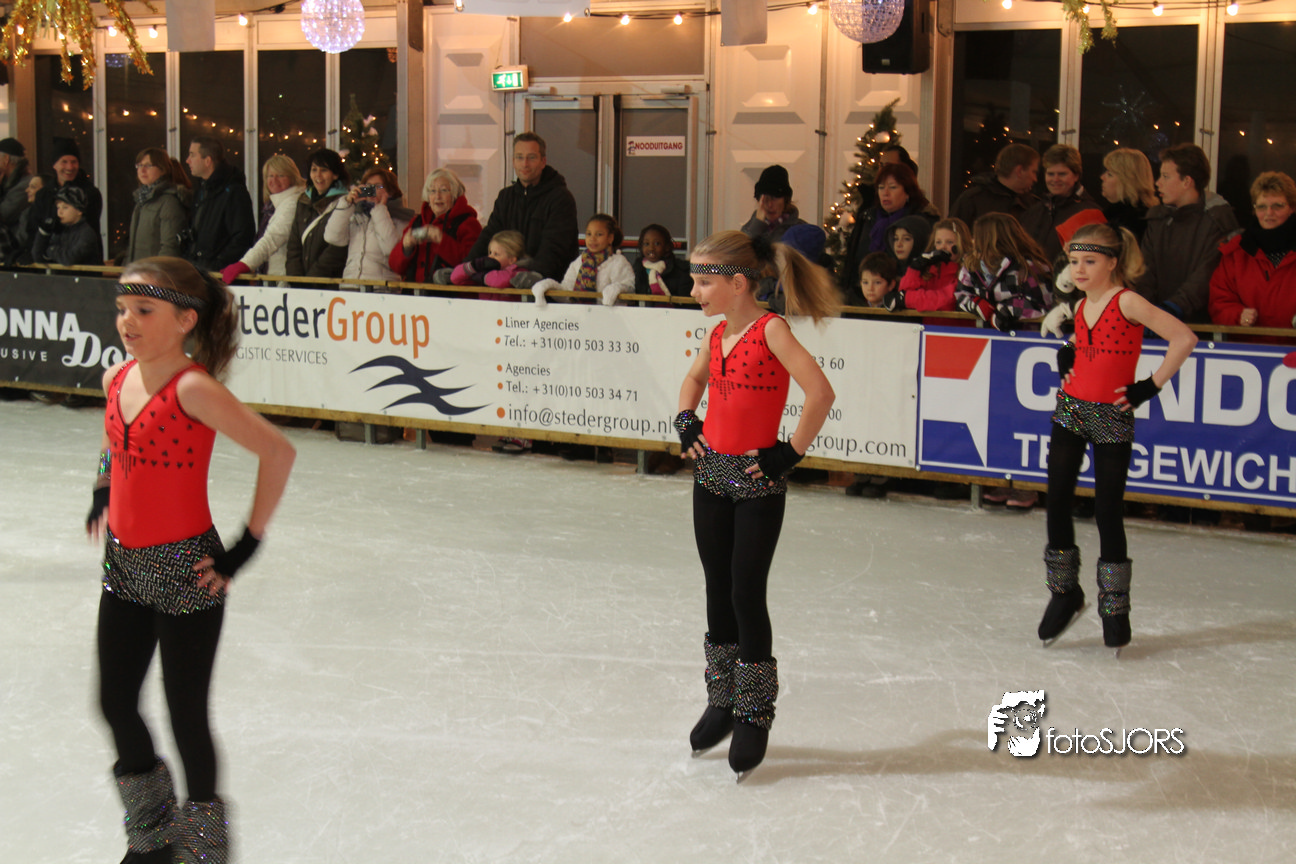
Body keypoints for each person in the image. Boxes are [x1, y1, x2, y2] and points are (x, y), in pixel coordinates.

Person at [89, 256, 295, 862]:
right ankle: (152, 837)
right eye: (122, 309)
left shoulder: (194, 389)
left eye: (143, 310)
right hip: (124, 565)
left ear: (185, 320)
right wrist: (104, 486)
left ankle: (203, 849)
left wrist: (245, 546)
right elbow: (112, 437)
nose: (127, 321)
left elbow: (277, 452)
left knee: (185, 717)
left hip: (187, 569)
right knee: (115, 703)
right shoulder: (116, 377)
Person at [676, 229, 839, 780]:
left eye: (703, 282)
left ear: (737, 284)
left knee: (746, 592)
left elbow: (820, 393)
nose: (694, 292)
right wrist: (686, 419)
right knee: (716, 587)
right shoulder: (718, 333)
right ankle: (722, 698)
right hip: (711, 476)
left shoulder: (771, 331)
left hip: (754, 481)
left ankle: (753, 710)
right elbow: (694, 379)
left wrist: (787, 454)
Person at [1040, 223, 1197, 650]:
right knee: (1057, 499)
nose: (1079, 270)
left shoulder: (1127, 301)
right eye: (1074, 261)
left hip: (1111, 414)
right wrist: (1068, 353)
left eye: (1089, 261)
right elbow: (1085, 343)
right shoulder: (1081, 304)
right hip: (1071, 409)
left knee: (1107, 510)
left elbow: (1184, 338)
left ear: (1112, 262)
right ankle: (1064, 592)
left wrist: (1150, 385)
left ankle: (1114, 606)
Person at [1137, 143, 1240, 323]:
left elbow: (1206, 275)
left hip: (1198, 326)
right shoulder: (1158, 219)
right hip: (1154, 323)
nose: (1158, 182)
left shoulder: (1217, 221)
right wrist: (1146, 311)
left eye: (1166, 176)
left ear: (1187, 181)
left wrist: (1173, 308)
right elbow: (1144, 270)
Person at [463, 132, 578, 284]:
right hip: (506, 286)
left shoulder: (560, 199)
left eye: (531, 157)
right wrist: (464, 270)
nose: (525, 164)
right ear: (513, 161)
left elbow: (555, 246)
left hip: (548, 289)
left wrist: (537, 274)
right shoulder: (505, 197)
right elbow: (488, 237)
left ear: (543, 161)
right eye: (519, 157)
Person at [1209, 171, 1296, 332]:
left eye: (1277, 206)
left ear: (1292, 208)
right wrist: (1237, 315)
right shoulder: (1236, 253)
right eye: (1261, 207)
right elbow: (1219, 301)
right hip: (1248, 345)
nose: (1269, 213)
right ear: (1254, 210)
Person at [840, 162, 940, 300]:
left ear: (908, 192)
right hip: (862, 297)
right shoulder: (868, 217)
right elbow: (853, 260)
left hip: (904, 297)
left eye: (893, 187)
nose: (885, 193)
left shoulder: (922, 223)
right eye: (881, 188)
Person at [220, 154, 307, 285]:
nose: (274, 180)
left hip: (285, 279)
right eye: (270, 176)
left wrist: (244, 264)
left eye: (281, 175)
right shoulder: (274, 206)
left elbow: (272, 238)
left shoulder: (292, 204)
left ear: (292, 177)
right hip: (274, 277)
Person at [324, 166, 414, 290]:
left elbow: (391, 250)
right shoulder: (356, 214)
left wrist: (380, 209)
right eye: (368, 186)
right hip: (350, 286)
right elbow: (332, 237)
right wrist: (347, 204)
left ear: (390, 190)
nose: (371, 190)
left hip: (381, 289)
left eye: (378, 186)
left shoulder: (401, 217)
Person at [389, 167, 481, 283]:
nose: (437, 196)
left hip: (452, 293)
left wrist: (442, 241)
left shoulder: (468, 224)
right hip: (415, 292)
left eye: (444, 190)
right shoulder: (418, 222)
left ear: (454, 194)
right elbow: (395, 267)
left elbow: (472, 265)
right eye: (432, 191)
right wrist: (406, 248)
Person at [1020, 144, 1103, 263]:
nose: (1055, 179)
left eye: (1062, 174)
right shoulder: (1034, 211)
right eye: (1050, 174)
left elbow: (1094, 257)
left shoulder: (1090, 214)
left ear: (1076, 176)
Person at [530, 213, 635, 308]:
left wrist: (617, 289)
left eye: (599, 234)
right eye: (589, 234)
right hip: (580, 318)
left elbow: (630, 290)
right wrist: (549, 285)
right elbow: (566, 294)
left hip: (611, 318)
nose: (592, 239)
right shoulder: (579, 261)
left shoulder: (618, 262)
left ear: (610, 238)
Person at [183, 136, 255, 272]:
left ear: (207, 161)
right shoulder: (202, 191)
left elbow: (242, 237)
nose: (187, 160)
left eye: (192, 155)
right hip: (200, 271)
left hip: (219, 276)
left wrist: (217, 266)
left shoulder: (233, 192)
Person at [27, 137, 103, 262]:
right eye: (64, 162)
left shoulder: (89, 193)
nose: (69, 167)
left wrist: (49, 249)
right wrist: (29, 250)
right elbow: (33, 227)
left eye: (74, 162)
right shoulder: (44, 194)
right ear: (54, 165)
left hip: (82, 263)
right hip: (49, 266)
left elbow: (87, 228)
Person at [286, 148, 349, 281]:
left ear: (335, 174)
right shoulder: (303, 201)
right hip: (301, 285)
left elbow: (336, 251)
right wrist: (295, 279)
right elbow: (293, 246)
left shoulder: (345, 202)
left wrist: (312, 280)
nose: (318, 176)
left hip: (330, 284)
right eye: (314, 170)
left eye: (324, 170)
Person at [884, 217, 971, 314]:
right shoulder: (929, 270)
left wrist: (906, 299)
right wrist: (915, 269)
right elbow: (904, 292)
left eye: (949, 242)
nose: (942, 247)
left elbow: (948, 300)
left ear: (961, 244)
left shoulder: (967, 271)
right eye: (938, 242)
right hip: (927, 323)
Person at [124, 148, 191, 264]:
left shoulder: (169, 202)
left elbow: (170, 246)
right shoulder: (141, 200)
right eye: (139, 165)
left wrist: (158, 271)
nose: (142, 170)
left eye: (148, 165)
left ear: (163, 169)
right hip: (138, 270)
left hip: (154, 271)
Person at [949, 142, 1040, 227]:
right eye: (1034, 172)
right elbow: (951, 234)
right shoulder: (972, 200)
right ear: (1019, 171)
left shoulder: (1033, 205)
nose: (1035, 179)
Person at [31, 184, 102, 266]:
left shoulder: (86, 233)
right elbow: (38, 256)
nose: (60, 212)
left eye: (65, 207)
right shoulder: (60, 230)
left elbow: (69, 258)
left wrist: (51, 250)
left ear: (79, 210)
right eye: (58, 207)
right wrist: (44, 232)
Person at [1099, 147, 1158, 242]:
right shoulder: (1112, 216)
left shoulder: (1131, 225)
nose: (1102, 177)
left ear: (1127, 181)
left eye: (1110, 174)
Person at [450, 229, 528, 298]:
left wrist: (483, 277)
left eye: (496, 254)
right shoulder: (486, 271)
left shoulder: (519, 272)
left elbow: (501, 280)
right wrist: (473, 266)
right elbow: (455, 278)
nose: (490, 257)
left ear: (512, 260)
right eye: (490, 253)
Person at [739, 165, 806, 243]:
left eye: (775, 198)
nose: (770, 205)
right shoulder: (748, 229)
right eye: (766, 199)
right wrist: (758, 224)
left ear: (785, 200)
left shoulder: (801, 230)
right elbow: (742, 248)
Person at [632, 223, 693, 298]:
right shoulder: (638, 268)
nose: (651, 248)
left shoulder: (681, 270)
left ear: (667, 246)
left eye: (657, 243)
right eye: (646, 244)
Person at [0, 137, 33, 252]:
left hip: (15, 246)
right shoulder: (9, 183)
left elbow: (3, 215)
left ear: (6, 159)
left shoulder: (25, 186)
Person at [886, 214, 933, 280]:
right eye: (896, 239)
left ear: (920, 241)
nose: (899, 244)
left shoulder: (930, 274)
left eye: (906, 239)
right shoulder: (888, 272)